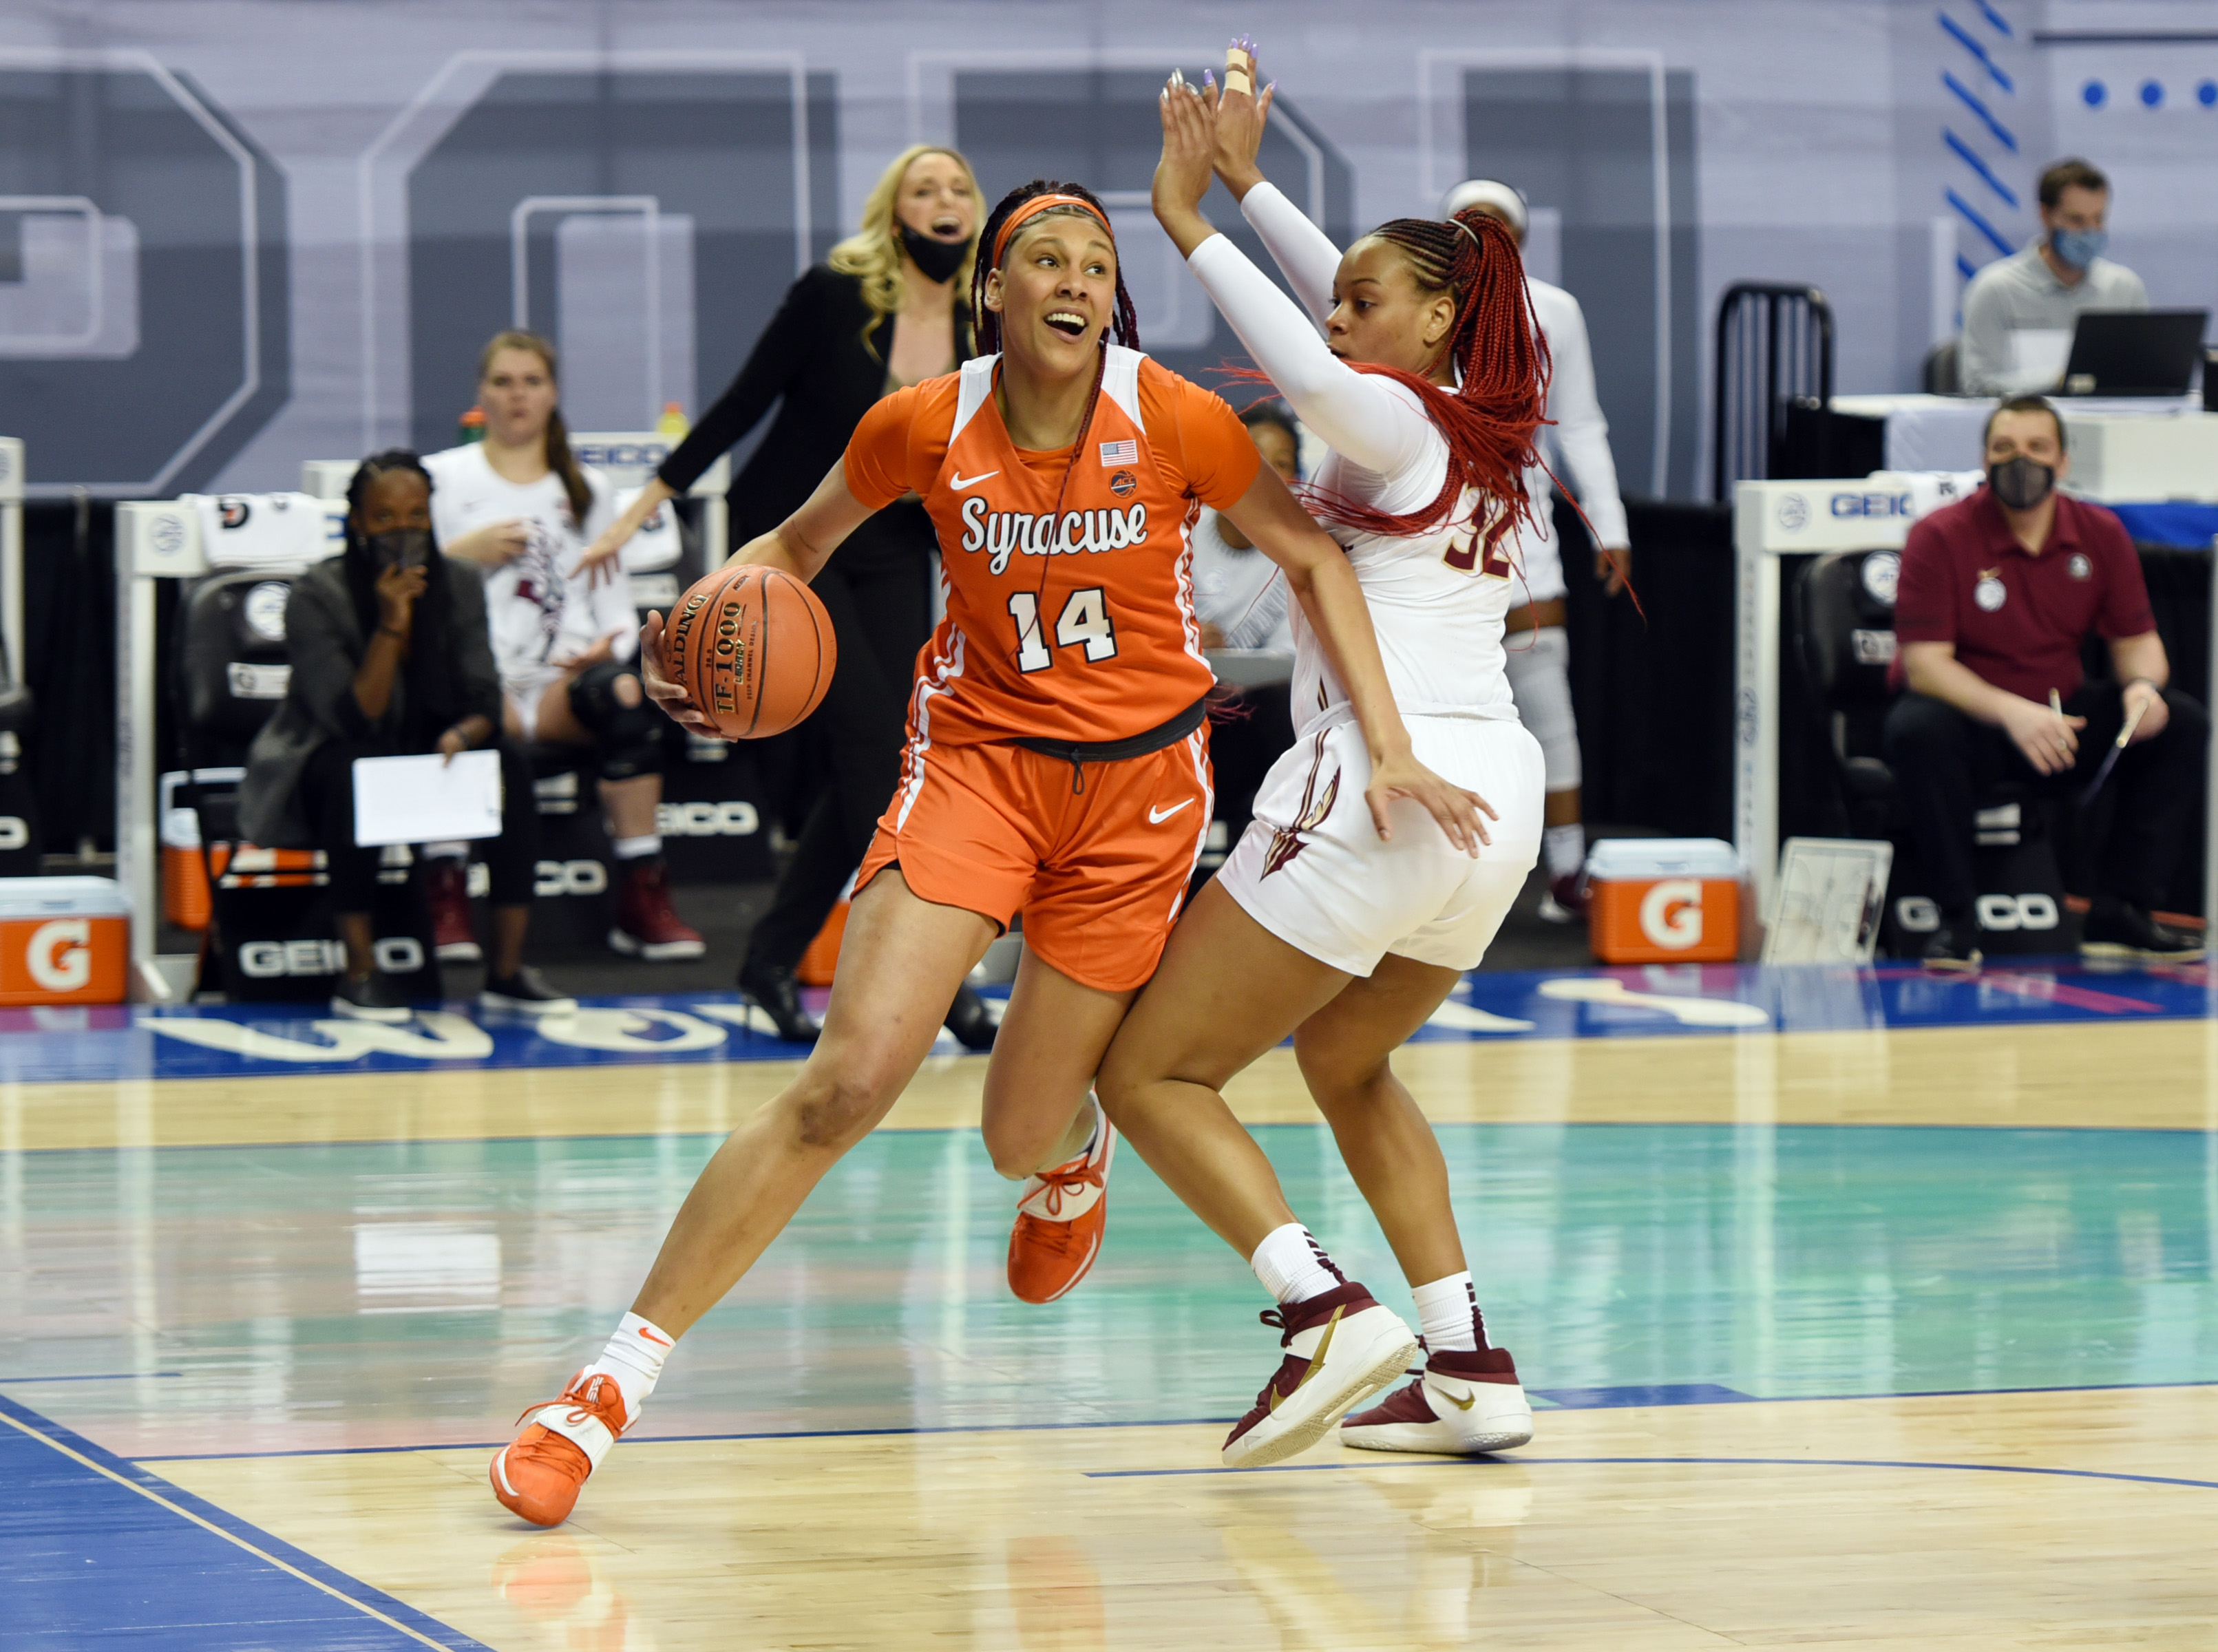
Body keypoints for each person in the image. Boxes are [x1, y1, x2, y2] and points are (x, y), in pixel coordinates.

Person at [489, 176, 1484, 1527]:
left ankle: (1070, 1148)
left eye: (1095, 261)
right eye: (1046, 261)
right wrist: (705, 648)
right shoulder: (918, 426)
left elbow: (1311, 562)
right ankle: (604, 1387)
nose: (1075, 279)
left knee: (1015, 1137)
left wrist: (1394, 745)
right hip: (977, 775)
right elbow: (793, 545)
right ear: (994, 296)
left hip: (1135, 806)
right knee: (849, 1082)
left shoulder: (1173, 414)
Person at [1092, 54, 1548, 1470]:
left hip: (1387, 782)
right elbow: (1354, 306)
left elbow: (1308, 357)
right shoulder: (1478, 433)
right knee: (1349, 1060)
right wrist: (1249, 180)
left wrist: (1183, 219)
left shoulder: (1393, 415)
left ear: (1432, 323)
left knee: (1150, 1074)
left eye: (1365, 301)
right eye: (1336, 291)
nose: (1336, 314)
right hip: (1496, 799)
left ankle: (1323, 1311)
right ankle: (1469, 1363)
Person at [580, 146, 992, 1046]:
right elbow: (740, 404)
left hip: (888, 549)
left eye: (958, 188)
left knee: (888, 765)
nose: (944, 200)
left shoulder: (981, 323)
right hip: (791, 545)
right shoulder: (833, 297)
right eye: (924, 188)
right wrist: (643, 506)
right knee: (879, 757)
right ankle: (938, 980)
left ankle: (770, 959)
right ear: (895, 212)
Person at [238, 452, 575, 1021]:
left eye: (417, 515)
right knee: (356, 770)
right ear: (358, 524)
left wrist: (464, 737)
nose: (403, 530)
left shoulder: (461, 583)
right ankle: (360, 971)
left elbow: (485, 698)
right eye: (385, 517)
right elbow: (350, 716)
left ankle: (507, 972)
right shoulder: (316, 595)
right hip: (324, 761)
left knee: (510, 768)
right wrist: (393, 623)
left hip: (431, 752)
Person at [1883, 394, 2206, 971]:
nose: (2020, 461)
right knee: (1917, 730)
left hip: (2062, 718)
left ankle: (2122, 909)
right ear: (1984, 460)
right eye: (2003, 449)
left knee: (2179, 722)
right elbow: (1925, 666)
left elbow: (2138, 642)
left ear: (2062, 462)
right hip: (1976, 719)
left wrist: (2142, 689)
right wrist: (2013, 713)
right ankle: (1956, 923)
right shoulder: (1940, 535)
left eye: (2036, 449)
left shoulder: (2098, 533)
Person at [423, 332, 705, 964]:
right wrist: (461, 554)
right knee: (436, 701)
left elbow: (611, 608)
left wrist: (603, 648)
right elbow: (409, 593)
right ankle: (444, 893)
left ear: (552, 393)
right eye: (503, 382)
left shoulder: (587, 486)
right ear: (481, 394)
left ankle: (642, 894)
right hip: (478, 680)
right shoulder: (443, 479)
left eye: (531, 382)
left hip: (558, 684)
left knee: (627, 694)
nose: (517, 396)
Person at [1442, 178, 1631, 921]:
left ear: (1521, 240)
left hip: (1526, 536)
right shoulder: (1420, 304)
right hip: (1432, 537)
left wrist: (1609, 527)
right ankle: (1442, 873)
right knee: (1440, 707)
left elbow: (1580, 423)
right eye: (1467, 228)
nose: (1485, 241)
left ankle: (1567, 869)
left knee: (1546, 700)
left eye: (1499, 229)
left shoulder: (1552, 312)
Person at [1958, 158, 2148, 396]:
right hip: (2025, 428)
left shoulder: (2123, 288)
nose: (2090, 232)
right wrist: (2060, 380)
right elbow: (1978, 385)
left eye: (2099, 219)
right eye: (2076, 220)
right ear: (2046, 215)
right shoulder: (1996, 289)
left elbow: (2143, 378)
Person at [1191, 400, 1298, 653]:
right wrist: (1179, 640)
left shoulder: (1301, 555)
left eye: (1281, 463)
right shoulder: (1178, 534)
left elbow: (1287, 662)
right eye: (1254, 453)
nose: (1267, 472)